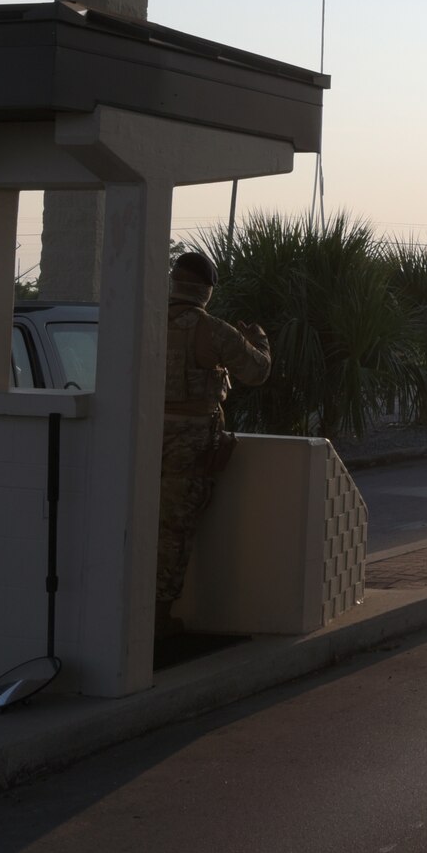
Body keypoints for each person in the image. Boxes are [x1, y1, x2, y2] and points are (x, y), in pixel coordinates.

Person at [155, 250, 271, 637]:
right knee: (175, 529)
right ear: (206, 290)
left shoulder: (146, 321)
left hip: (144, 433)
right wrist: (260, 340)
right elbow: (256, 371)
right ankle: (159, 622)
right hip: (190, 443)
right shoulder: (211, 330)